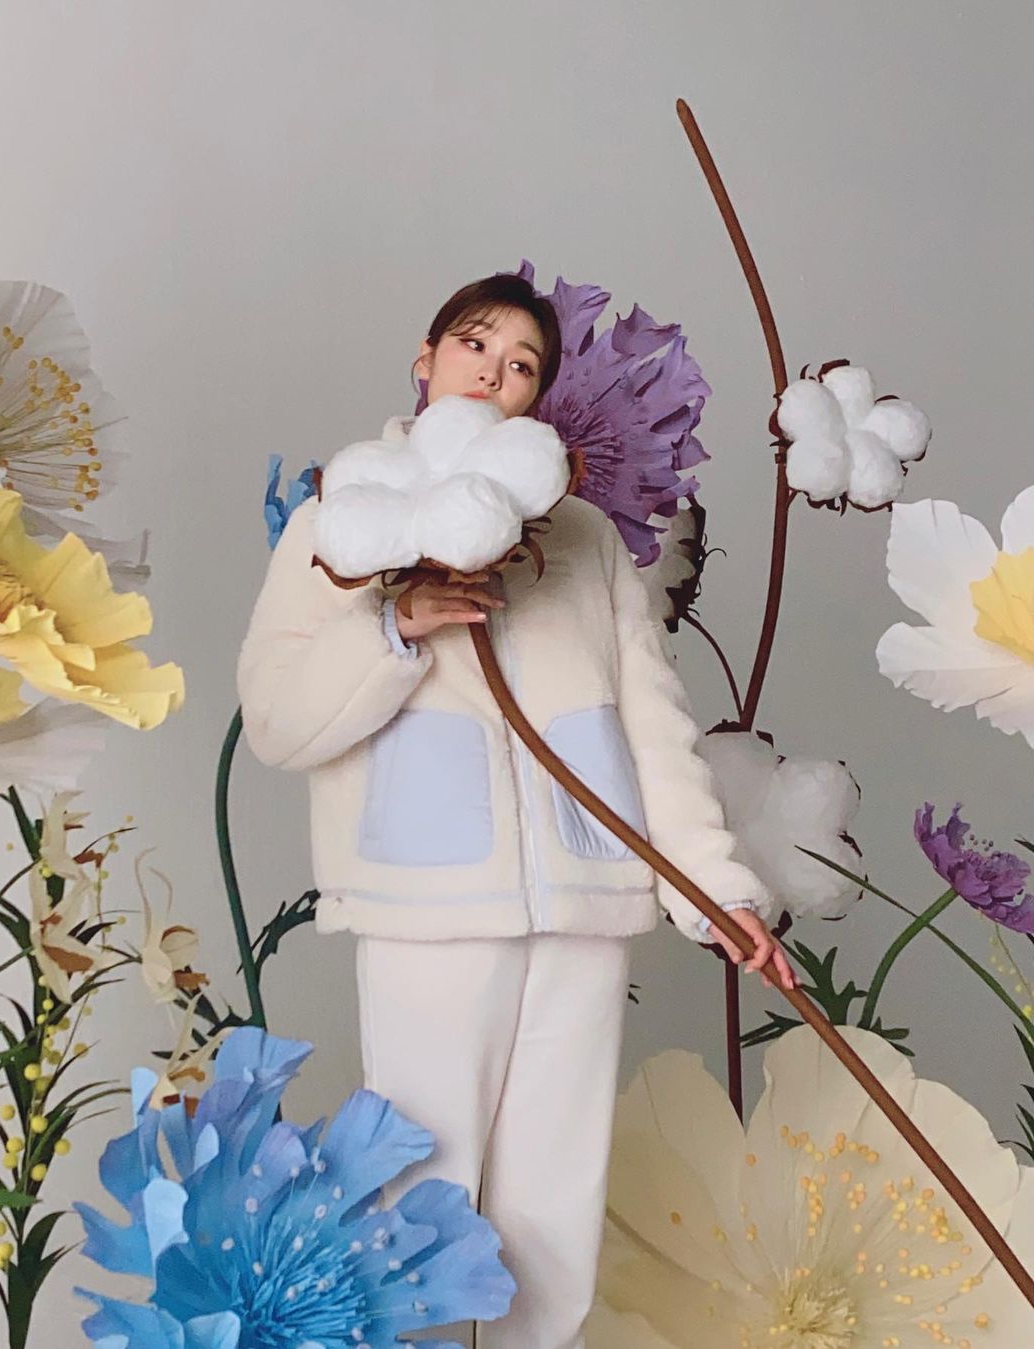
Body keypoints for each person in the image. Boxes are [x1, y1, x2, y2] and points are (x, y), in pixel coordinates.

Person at [236, 272, 799, 1349]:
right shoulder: (342, 517)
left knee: (554, 1213)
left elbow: (655, 726)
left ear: (537, 396)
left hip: (585, 903)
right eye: (473, 345)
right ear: (425, 359)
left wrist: (714, 891)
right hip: (427, 905)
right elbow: (275, 718)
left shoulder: (584, 539)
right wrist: (395, 627)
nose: (493, 372)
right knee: (420, 1200)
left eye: (522, 364)